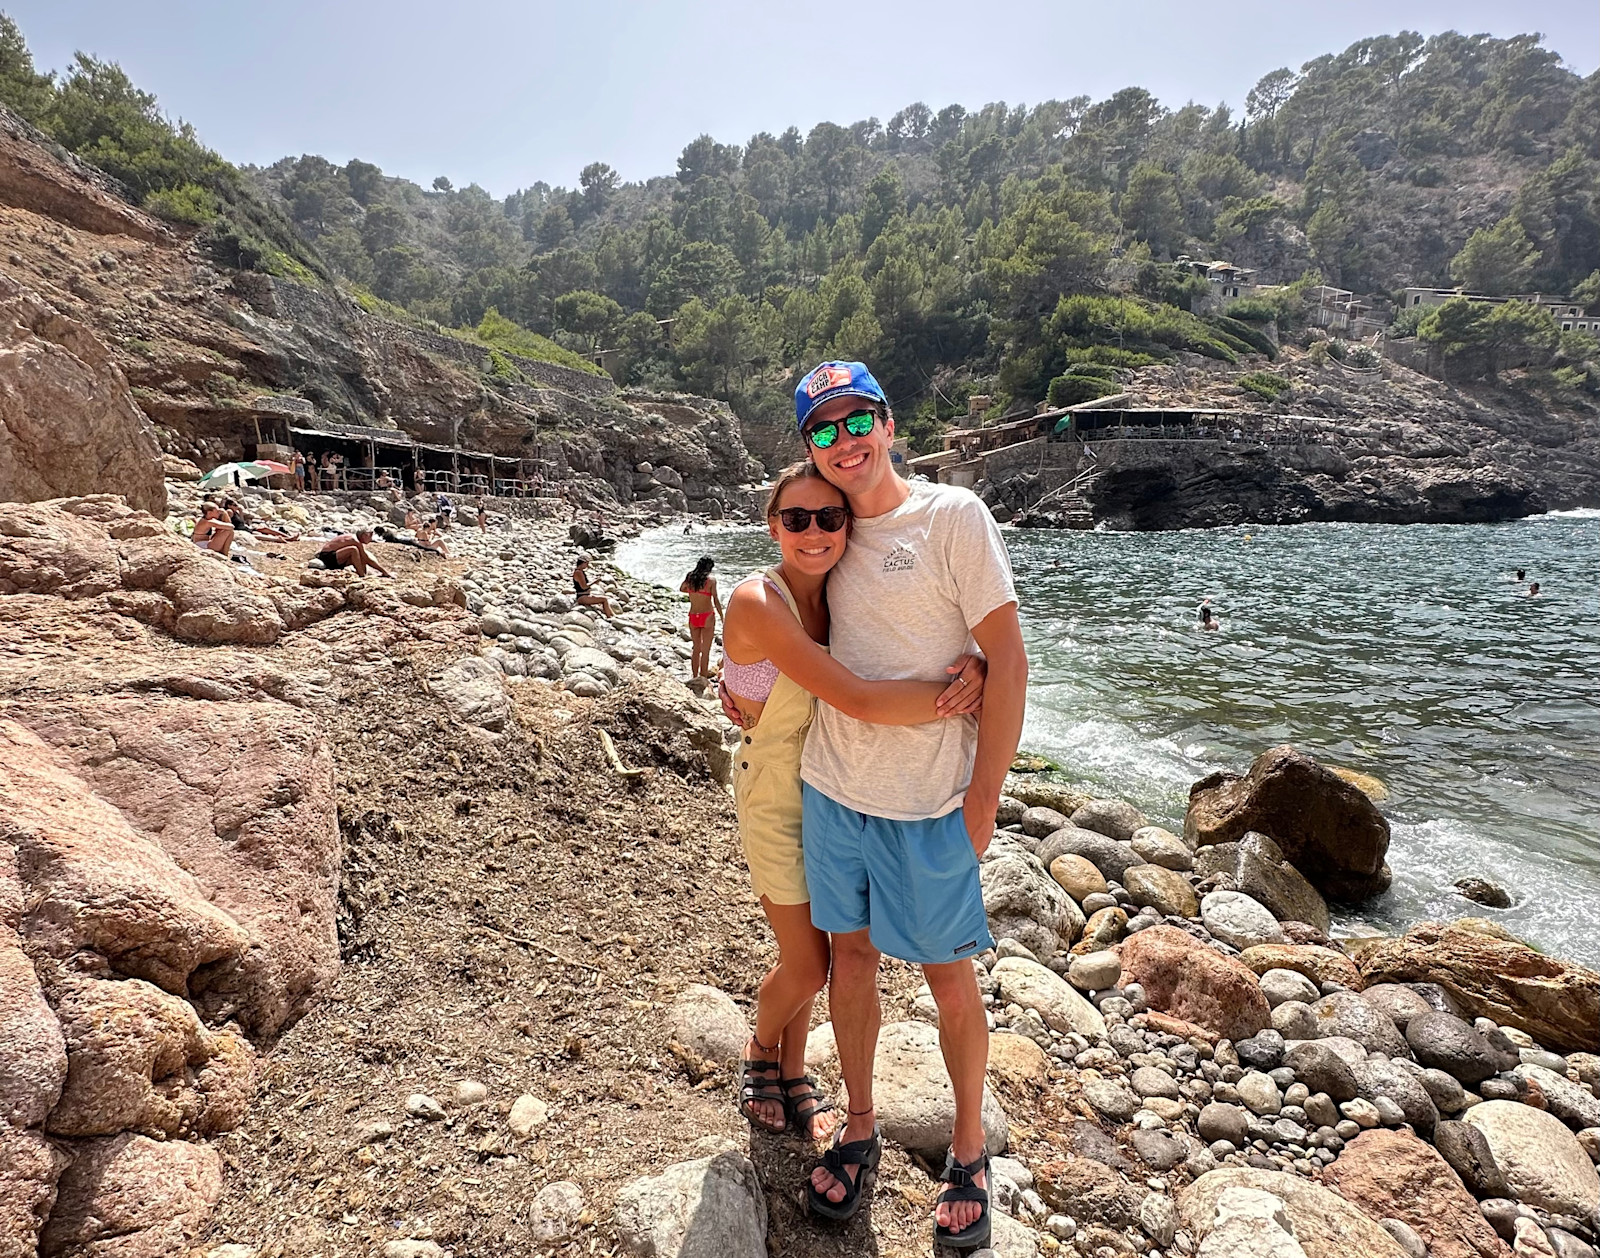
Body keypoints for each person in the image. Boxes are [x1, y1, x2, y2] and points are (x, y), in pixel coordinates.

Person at [791, 362, 1027, 1250]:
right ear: (809, 446)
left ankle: (969, 1150)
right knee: (850, 966)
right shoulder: (826, 528)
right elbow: (780, 611)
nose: (844, 442)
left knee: (948, 979)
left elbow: (1009, 659)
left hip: (928, 802)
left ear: (890, 425)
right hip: (833, 791)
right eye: (823, 430)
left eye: (858, 422)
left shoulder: (953, 516)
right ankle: (860, 1123)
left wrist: (983, 797)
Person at [720, 462, 986, 1144]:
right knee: (808, 962)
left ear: (849, 527)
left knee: (825, 954)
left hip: (828, 786)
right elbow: (858, 697)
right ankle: (759, 1047)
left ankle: (795, 1067)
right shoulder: (757, 601)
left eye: (829, 518)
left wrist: (979, 656)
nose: (814, 532)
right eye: (796, 519)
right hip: (777, 794)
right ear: (771, 524)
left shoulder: (839, 588)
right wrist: (963, 695)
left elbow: (918, 618)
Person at [679, 557, 725, 679]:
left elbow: (682, 588)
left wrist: (694, 592)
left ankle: (694, 676)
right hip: (707, 616)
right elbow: (715, 600)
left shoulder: (690, 577)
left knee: (696, 649)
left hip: (693, 615)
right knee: (705, 650)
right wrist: (722, 616)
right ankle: (703, 678)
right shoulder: (711, 581)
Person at [314, 527, 391, 577]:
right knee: (353, 550)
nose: (371, 538)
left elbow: (364, 558)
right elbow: (367, 559)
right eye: (370, 535)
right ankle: (362, 575)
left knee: (360, 555)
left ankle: (363, 573)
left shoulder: (357, 541)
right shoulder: (354, 540)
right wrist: (384, 571)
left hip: (337, 559)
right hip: (327, 557)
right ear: (364, 535)